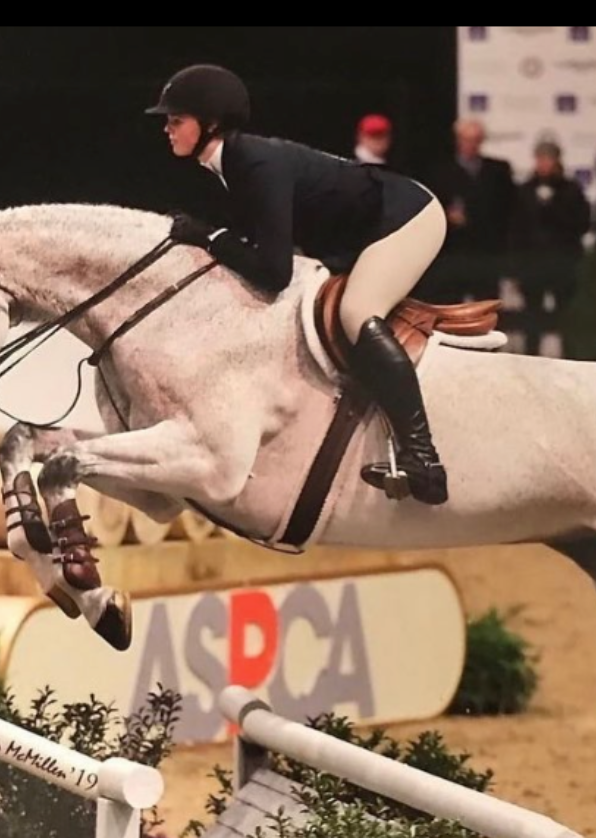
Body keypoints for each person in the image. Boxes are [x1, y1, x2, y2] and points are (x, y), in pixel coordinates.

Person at [144, 64, 448, 506]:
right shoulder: (231, 164)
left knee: (356, 313)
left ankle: (423, 459)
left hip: (406, 217)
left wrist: (211, 238)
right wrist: (214, 239)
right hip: (363, 233)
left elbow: (274, 272)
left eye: (176, 120)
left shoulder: (255, 163)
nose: (167, 129)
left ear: (210, 124)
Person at [423, 117, 516, 303]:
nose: (471, 145)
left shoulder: (497, 171)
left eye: (476, 140)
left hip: (487, 252)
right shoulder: (440, 172)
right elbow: (431, 210)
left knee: (486, 304)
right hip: (454, 252)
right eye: (466, 139)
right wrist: (448, 216)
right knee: (451, 305)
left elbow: (509, 209)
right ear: (458, 140)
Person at [511, 139, 591, 355]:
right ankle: (531, 357)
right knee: (532, 316)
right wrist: (517, 266)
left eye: (549, 159)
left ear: (557, 161)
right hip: (532, 264)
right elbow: (516, 229)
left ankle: (571, 357)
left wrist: (554, 210)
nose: (544, 164)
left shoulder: (572, 190)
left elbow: (583, 224)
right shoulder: (524, 190)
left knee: (567, 315)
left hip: (563, 263)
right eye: (541, 158)